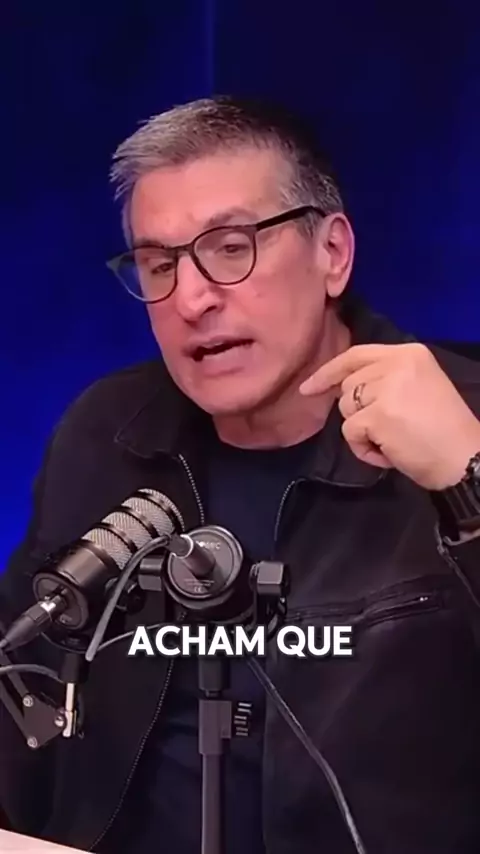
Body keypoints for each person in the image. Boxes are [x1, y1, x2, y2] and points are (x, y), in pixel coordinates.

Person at [1, 95, 480, 854]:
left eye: (231, 248)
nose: (192, 299)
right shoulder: (106, 432)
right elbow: (19, 688)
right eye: (160, 265)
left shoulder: (464, 419)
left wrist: (469, 474)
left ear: (332, 253)